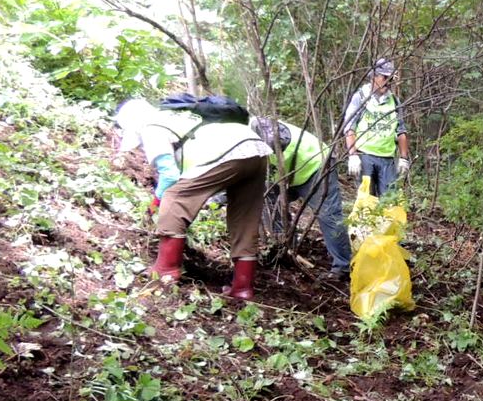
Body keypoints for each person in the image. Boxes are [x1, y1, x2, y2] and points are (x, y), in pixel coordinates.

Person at [114, 97, 272, 301]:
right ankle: (242, 288)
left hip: (230, 152)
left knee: (175, 197)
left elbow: (169, 175)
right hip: (256, 149)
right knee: (245, 219)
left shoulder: (151, 126)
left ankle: (166, 271)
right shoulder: (176, 116)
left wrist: (155, 203)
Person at [251, 116, 351, 280]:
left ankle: (343, 267)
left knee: (328, 215)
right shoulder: (242, 140)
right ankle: (283, 247)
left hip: (315, 164)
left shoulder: (268, 133)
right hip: (283, 175)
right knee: (266, 201)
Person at [343, 59, 409, 196]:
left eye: (391, 78)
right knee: (366, 200)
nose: (388, 82)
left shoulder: (394, 101)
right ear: (374, 76)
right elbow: (350, 126)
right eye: (385, 77)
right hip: (365, 156)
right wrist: (353, 155)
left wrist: (403, 158)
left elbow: (401, 130)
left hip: (387, 159)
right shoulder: (360, 97)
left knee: (390, 200)